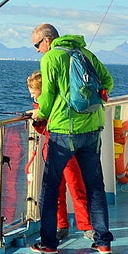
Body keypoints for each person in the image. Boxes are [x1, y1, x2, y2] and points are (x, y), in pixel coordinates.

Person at [30, 23, 115, 254]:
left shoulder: (51, 58)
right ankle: (103, 241)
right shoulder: (86, 53)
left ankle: (48, 243)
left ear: (47, 40)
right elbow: (108, 82)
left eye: (37, 45)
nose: (37, 50)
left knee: (49, 187)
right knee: (95, 186)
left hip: (64, 131)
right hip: (93, 128)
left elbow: (47, 95)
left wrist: (40, 113)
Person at [26, 70, 94, 240]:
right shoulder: (42, 107)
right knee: (57, 190)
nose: (33, 99)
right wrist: (37, 122)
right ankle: (61, 225)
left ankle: (86, 226)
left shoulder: (54, 106)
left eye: (35, 95)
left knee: (75, 186)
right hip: (52, 149)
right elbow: (46, 130)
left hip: (65, 149)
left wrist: (41, 115)